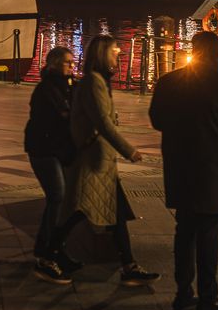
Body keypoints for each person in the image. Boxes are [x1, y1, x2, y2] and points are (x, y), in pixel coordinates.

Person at [150, 31, 218, 310]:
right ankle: (208, 297)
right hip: (213, 170)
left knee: (184, 231)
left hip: (180, 167)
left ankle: (183, 293)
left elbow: (157, 119)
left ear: (193, 52)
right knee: (209, 235)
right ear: (217, 53)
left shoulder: (169, 82)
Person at [58, 34, 160, 287]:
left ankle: (128, 265)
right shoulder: (94, 81)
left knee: (114, 213)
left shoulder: (98, 81)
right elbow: (102, 122)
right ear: (103, 54)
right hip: (93, 161)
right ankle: (48, 253)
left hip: (100, 161)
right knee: (79, 212)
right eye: (115, 52)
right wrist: (129, 150)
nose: (119, 56)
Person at [24, 46, 81, 284]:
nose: (72, 66)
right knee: (57, 196)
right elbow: (57, 117)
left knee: (63, 199)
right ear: (56, 64)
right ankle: (46, 253)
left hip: (55, 150)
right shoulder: (47, 89)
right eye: (68, 62)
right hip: (44, 150)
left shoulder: (66, 86)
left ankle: (53, 248)